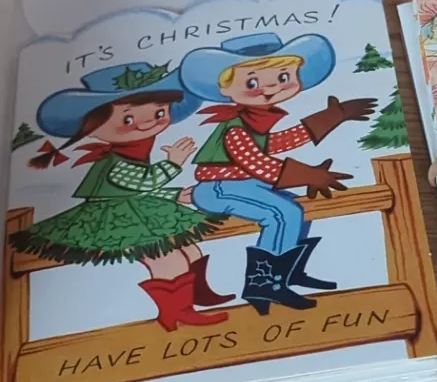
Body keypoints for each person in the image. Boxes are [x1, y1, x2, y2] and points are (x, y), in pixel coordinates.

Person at [11, 62, 232, 331]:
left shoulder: (136, 151)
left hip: (135, 207)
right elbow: (142, 181)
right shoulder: (115, 160)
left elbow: (138, 189)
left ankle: (199, 294)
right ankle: (176, 313)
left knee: (189, 248)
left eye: (159, 112)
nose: (148, 123)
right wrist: (173, 163)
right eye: (128, 119)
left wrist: (174, 194)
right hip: (113, 219)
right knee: (166, 258)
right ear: (92, 126)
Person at [180, 32, 375, 314]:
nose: (269, 88)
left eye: (283, 77)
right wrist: (308, 175)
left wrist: (333, 116)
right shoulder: (236, 128)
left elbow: (279, 142)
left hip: (242, 184)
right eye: (252, 82)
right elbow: (258, 164)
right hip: (218, 188)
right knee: (282, 213)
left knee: (298, 208)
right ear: (225, 88)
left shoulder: (254, 121)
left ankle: (290, 273)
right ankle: (262, 285)